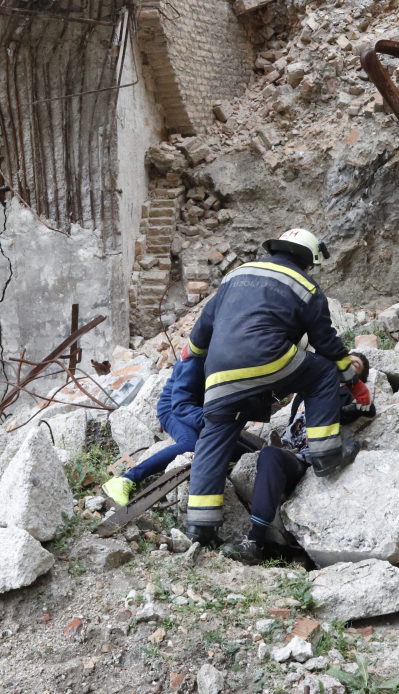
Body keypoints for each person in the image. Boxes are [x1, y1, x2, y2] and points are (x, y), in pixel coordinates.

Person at [184, 227, 372, 544]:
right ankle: (326, 455)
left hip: (217, 373)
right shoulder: (306, 286)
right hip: (266, 359)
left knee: (213, 439)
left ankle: (200, 528)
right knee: (323, 372)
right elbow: (325, 342)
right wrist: (352, 380)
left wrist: (193, 354)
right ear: (308, 260)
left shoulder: (236, 274)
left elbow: (204, 326)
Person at [222, 352, 374, 564]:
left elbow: (368, 408)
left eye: (355, 364)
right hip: (284, 447)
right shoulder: (310, 388)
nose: (348, 363)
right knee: (227, 433)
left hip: (302, 460)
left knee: (270, 455)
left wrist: (352, 390)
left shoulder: (347, 395)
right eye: (346, 358)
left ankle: (255, 541)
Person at [102, 344, 204, 506]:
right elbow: (181, 406)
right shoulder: (194, 361)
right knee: (190, 443)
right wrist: (210, 419)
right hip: (173, 410)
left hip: (191, 410)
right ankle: (126, 479)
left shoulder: (215, 354)